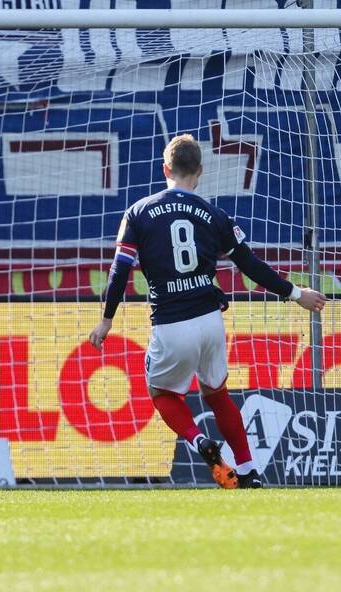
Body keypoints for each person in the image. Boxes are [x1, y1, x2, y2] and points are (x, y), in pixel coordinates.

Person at [89, 134, 326, 489]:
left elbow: (119, 270)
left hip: (171, 324)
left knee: (163, 394)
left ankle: (200, 441)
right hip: (210, 322)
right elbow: (250, 264)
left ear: (165, 168)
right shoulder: (214, 214)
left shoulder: (138, 212)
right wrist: (296, 292)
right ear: (199, 170)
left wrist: (107, 318)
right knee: (217, 394)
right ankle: (248, 471)